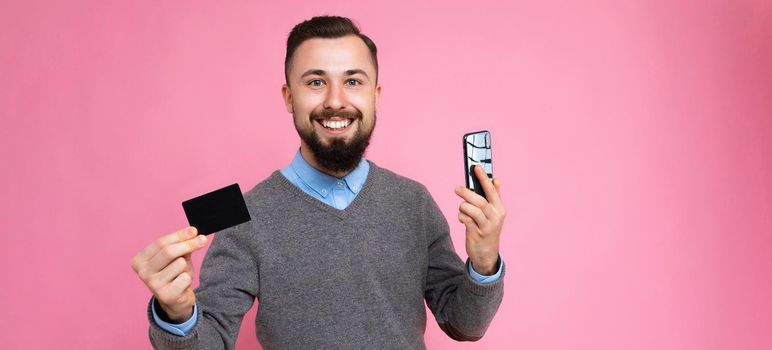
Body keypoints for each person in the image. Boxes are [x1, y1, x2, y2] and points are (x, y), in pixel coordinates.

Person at [130, 15, 507, 349]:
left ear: (375, 96)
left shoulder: (414, 202)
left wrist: (484, 261)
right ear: (289, 97)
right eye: (315, 82)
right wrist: (177, 315)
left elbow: (464, 325)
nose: (335, 100)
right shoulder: (246, 216)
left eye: (353, 81)